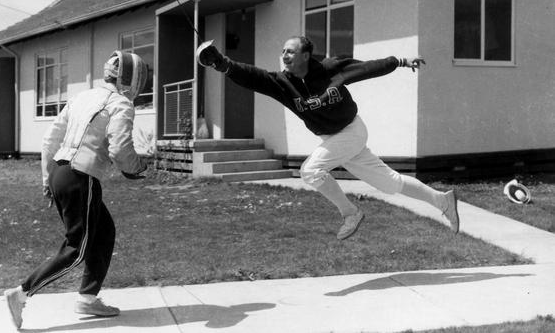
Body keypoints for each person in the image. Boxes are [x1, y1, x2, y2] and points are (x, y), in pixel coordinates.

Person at [195, 36, 459, 240]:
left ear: (306, 55)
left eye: (290, 51)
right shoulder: (282, 84)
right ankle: (442, 200)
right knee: (390, 184)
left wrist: (400, 61)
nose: (284, 55)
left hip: (352, 131)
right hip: (334, 139)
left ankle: (350, 213)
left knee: (310, 171)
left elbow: (367, 68)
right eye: (283, 51)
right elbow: (253, 76)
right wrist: (223, 64)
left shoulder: (330, 69)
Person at [4, 51, 149, 329]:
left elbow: (50, 140)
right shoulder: (120, 104)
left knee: (104, 231)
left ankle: (88, 297)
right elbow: (120, 149)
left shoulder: (83, 97)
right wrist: (136, 167)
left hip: (60, 172)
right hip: (82, 177)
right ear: (131, 78)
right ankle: (21, 294)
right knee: (76, 249)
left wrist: (47, 179)